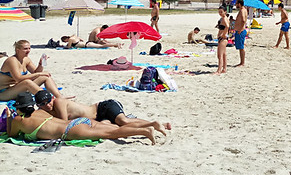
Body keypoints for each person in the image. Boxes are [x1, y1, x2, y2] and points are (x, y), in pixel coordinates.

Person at [6, 92, 156, 144]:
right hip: (81, 121)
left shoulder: (18, 121)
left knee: (113, 133)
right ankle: (146, 127)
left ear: (18, 108)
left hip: (71, 130)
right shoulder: (41, 112)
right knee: (116, 128)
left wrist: (8, 119)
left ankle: (144, 132)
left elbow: (11, 135)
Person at [34, 90, 171, 136]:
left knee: (123, 121)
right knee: (118, 129)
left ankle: (154, 123)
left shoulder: (58, 102)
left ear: (52, 98)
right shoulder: (49, 109)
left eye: (48, 101)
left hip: (103, 107)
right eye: (43, 104)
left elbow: (65, 123)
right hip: (99, 118)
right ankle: (158, 125)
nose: (47, 105)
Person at [1, 40, 66, 102]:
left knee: (45, 77)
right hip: (4, 92)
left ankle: (59, 97)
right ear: (17, 50)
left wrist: (40, 64)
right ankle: (46, 99)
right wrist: (39, 74)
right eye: (25, 49)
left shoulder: (26, 59)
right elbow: (18, 78)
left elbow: (35, 73)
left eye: (29, 48)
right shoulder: (12, 60)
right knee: (27, 82)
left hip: (18, 88)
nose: (28, 51)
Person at [233, 0, 248, 67]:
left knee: (241, 47)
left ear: (239, 4)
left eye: (236, 3)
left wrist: (241, 29)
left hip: (240, 31)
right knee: (240, 47)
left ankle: (242, 63)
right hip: (240, 30)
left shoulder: (242, 10)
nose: (235, 5)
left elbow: (243, 20)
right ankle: (241, 62)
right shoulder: (244, 10)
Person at [215, 6, 229, 75]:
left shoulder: (224, 18)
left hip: (223, 38)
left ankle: (219, 70)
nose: (220, 13)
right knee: (223, 55)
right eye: (219, 12)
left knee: (220, 55)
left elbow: (227, 26)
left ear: (225, 12)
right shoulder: (224, 18)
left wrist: (223, 34)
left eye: (221, 12)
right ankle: (224, 69)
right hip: (223, 38)